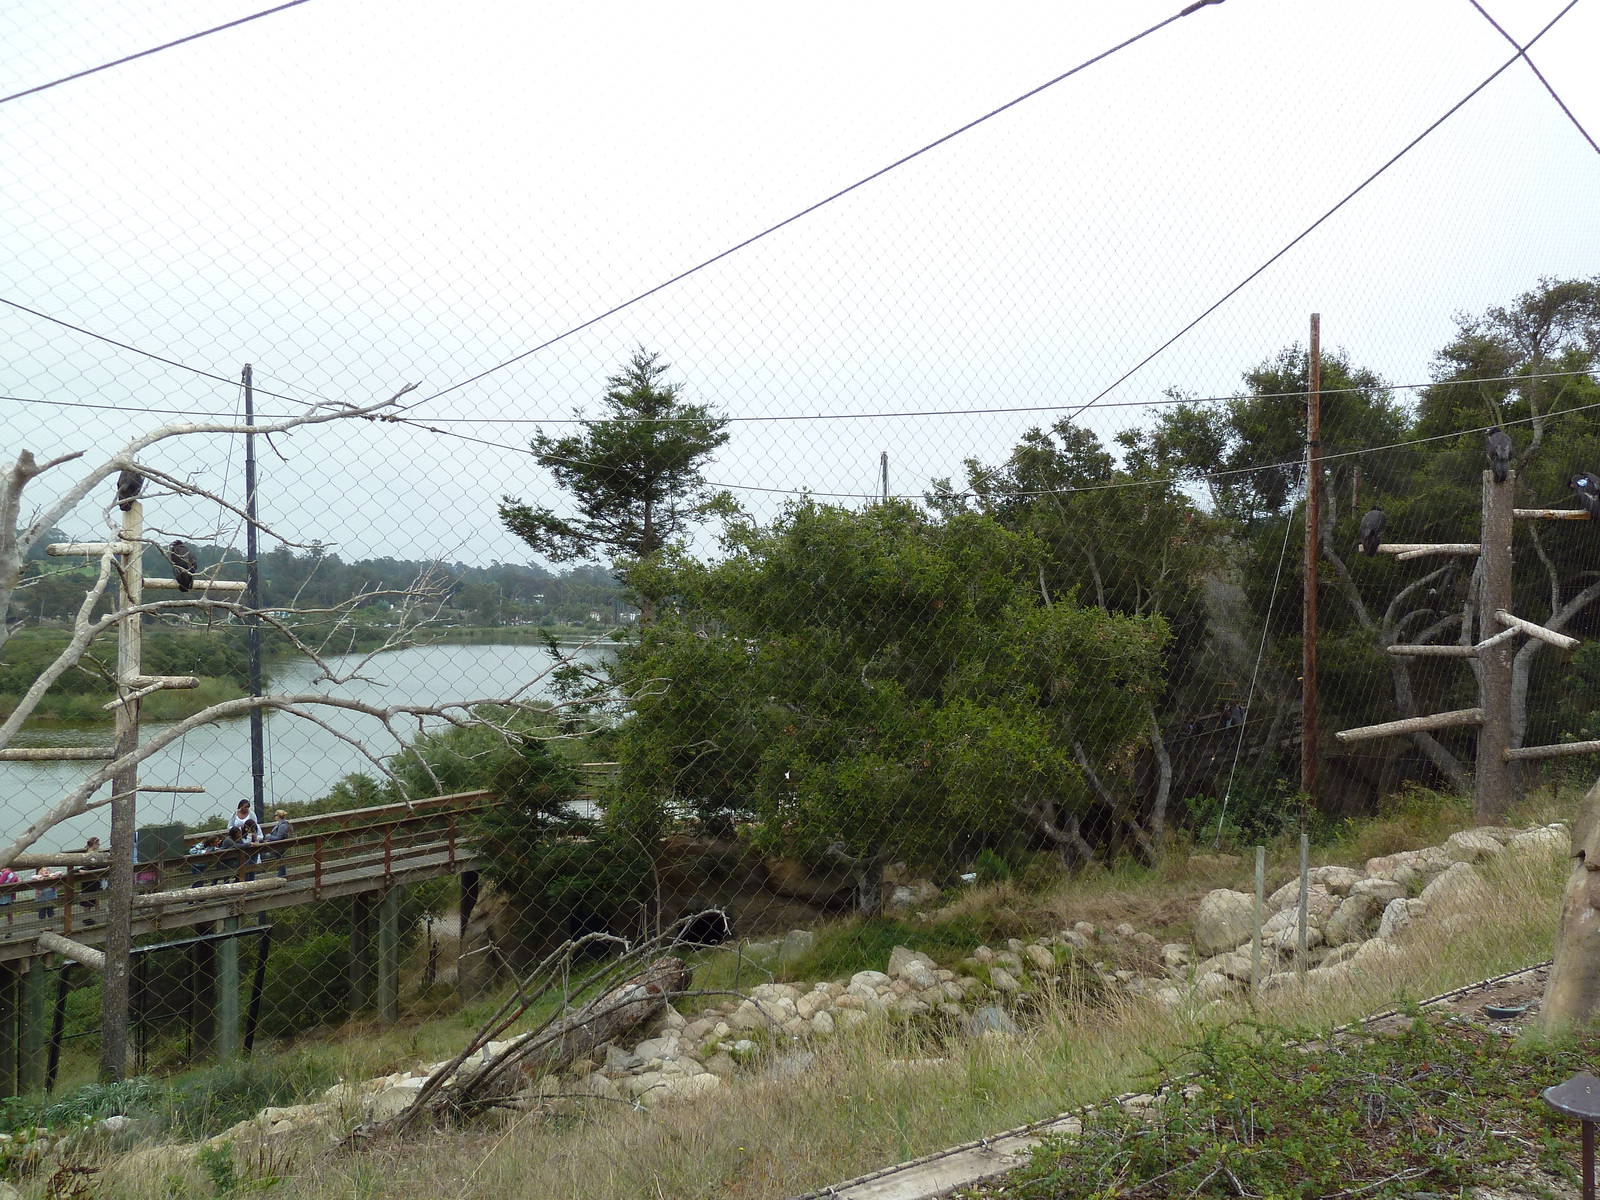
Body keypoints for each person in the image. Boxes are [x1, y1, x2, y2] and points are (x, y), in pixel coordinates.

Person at [266, 809, 293, 878]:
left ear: (278, 816)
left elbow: (279, 837)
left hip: (280, 846)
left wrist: (269, 836)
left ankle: (281, 876)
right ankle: (282, 875)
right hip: (279, 846)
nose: (275, 817)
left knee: (280, 860)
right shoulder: (282, 824)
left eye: (275, 815)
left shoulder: (282, 825)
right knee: (280, 860)